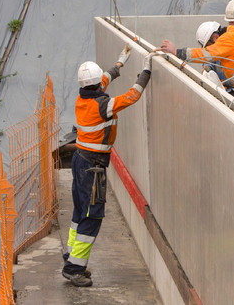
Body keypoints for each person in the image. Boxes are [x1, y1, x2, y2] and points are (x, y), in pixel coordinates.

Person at [62, 45, 156, 287]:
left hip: (79, 161)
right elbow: (133, 96)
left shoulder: (83, 96)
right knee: (92, 216)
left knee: (79, 212)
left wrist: (121, 61)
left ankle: (72, 257)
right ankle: (74, 268)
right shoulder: (103, 105)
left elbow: (106, 76)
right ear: (96, 86)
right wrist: (146, 70)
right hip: (92, 167)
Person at [195, 20, 234, 102]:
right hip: (229, 93)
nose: (210, 50)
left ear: (215, 38)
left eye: (209, 46)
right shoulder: (217, 49)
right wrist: (207, 67)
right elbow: (209, 58)